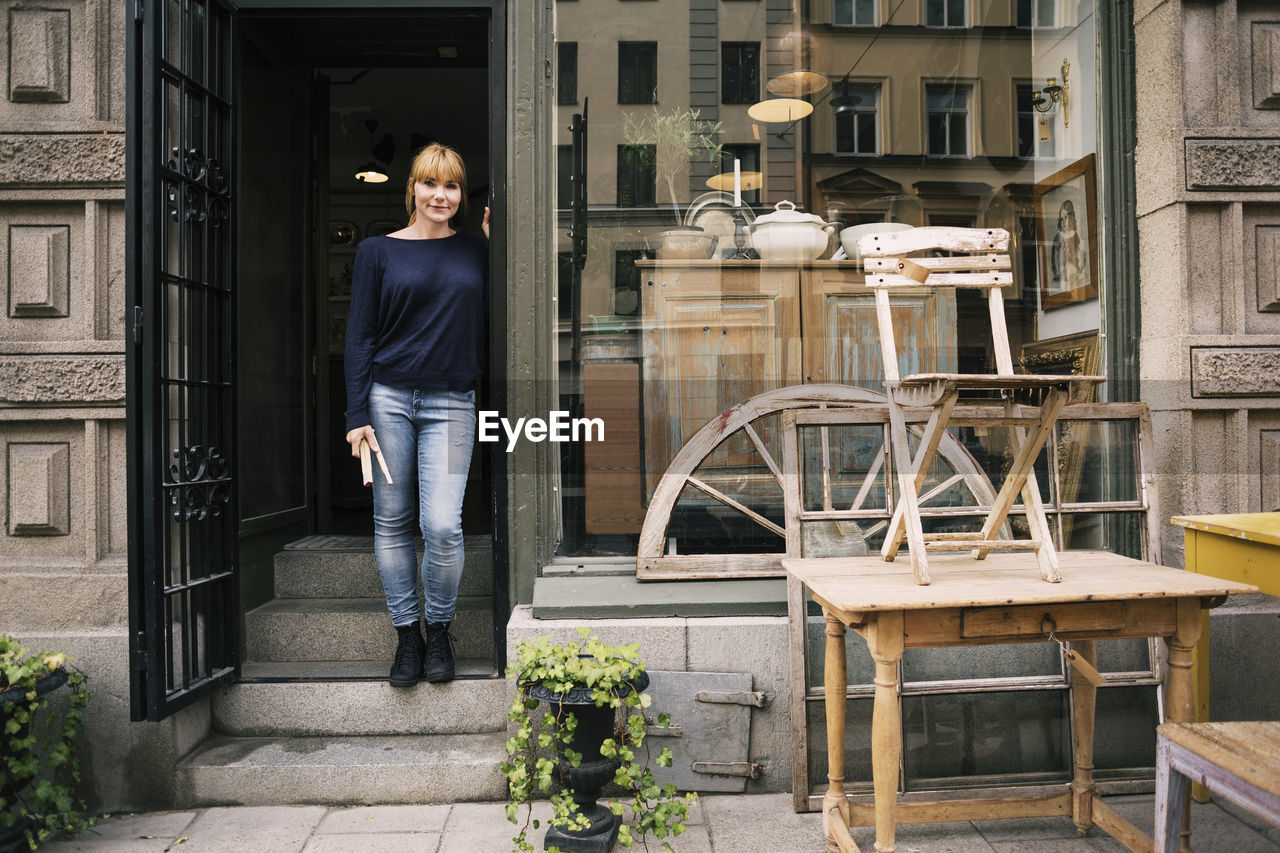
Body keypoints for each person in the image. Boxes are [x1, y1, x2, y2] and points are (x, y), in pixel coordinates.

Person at [344, 143, 490, 687]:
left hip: (452, 400)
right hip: (387, 400)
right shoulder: (376, 252)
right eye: (431, 184)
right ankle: (409, 637)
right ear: (411, 188)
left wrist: (499, 241)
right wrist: (356, 413)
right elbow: (358, 337)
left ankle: (440, 629)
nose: (440, 195)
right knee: (393, 522)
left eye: (451, 186)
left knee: (443, 526)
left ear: (460, 194)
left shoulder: (476, 252)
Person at [1050, 198, 1088, 295]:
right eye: (1061, 219)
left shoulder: (1075, 235)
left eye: (1065, 218)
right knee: (1065, 290)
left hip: (1074, 273)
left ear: (1071, 217)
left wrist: (1080, 269)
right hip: (1063, 273)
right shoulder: (1058, 237)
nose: (1063, 222)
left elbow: (1080, 253)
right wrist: (1056, 272)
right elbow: (1054, 257)